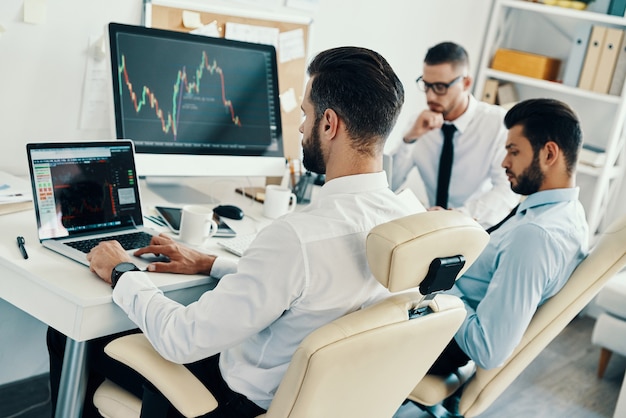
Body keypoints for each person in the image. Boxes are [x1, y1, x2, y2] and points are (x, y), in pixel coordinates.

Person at [47, 46, 416, 418]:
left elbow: (182, 339)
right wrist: (210, 263)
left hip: (235, 402)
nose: (302, 127)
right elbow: (310, 292)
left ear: (329, 124)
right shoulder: (410, 224)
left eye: (305, 113)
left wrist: (121, 271)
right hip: (322, 402)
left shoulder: (298, 238)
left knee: (71, 335)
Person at [428, 98, 589, 378]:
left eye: (513, 151)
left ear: (549, 154)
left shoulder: (535, 237)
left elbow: (489, 349)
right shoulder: (566, 213)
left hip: (435, 339)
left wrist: (439, 286)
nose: (504, 162)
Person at [390, 41, 518, 228]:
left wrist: (456, 217)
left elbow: (507, 190)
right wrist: (409, 140)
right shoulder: (418, 123)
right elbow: (388, 185)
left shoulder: (497, 123)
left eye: (441, 87)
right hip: (431, 228)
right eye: (426, 85)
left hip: (478, 229)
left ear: (466, 83)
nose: (430, 97)